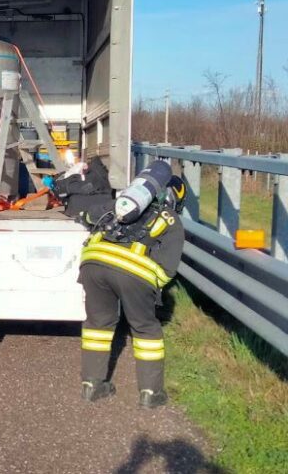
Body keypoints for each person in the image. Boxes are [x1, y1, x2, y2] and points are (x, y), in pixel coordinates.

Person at [76, 160, 186, 408]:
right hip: (132, 273)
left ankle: (92, 385)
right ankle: (151, 393)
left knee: (97, 325)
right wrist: (152, 287)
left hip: (93, 264)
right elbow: (168, 268)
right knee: (146, 328)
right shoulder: (171, 220)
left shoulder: (121, 204)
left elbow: (89, 215)